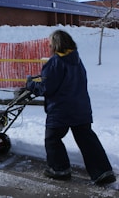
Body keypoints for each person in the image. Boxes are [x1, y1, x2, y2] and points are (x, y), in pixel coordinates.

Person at [26, 30, 116, 185]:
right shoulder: (76, 59)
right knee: (86, 138)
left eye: (50, 43)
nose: (48, 46)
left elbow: (46, 87)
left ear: (55, 44)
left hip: (61, 110)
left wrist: (30, 83)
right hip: (81, 108)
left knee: (52, 138)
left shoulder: (55, 62)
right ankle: (103, 171)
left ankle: (59, 169)